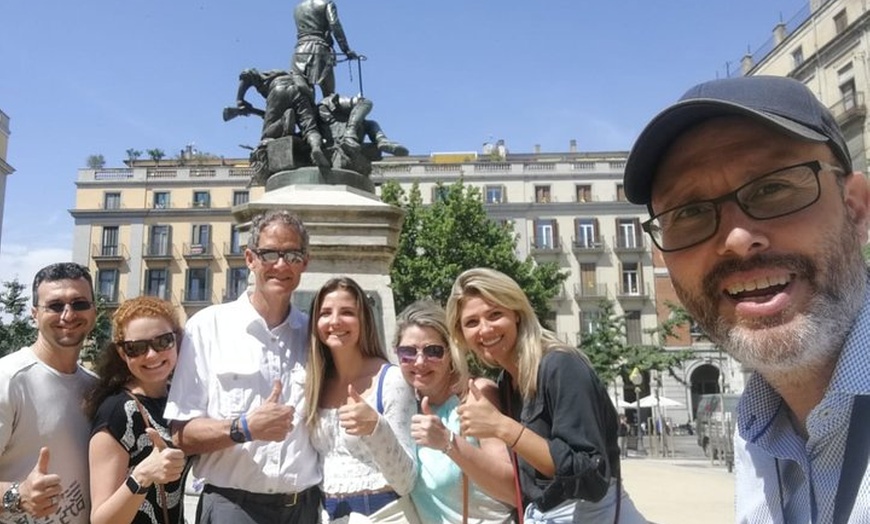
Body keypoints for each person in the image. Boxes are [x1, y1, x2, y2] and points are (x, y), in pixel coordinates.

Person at [622, 75, 870, 522]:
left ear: (855, 208)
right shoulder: (757, 428)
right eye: (690, 212)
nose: (736, 238)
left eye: (772, 188)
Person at [446, 268, 645, 523]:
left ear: (516, 314)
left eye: (495, 315)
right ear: (461, 334)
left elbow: (590, 479)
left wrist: (501, 426)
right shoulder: (507, 383)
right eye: (471, 322)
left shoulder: (561, 366)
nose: (485, 330)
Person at [165, 210, 321, 524]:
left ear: (305, 262)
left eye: (292, 254)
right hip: (233, 509)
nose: (281, 264)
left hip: (304, 509)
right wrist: (244, 427)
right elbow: (181, 434)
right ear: (250, 258)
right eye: (270, 254)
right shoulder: (208, 327)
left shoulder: (315, 336)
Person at [303, 277, 417, 521]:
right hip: (328, 513)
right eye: (325, 313)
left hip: (384, 513)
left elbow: (406, 480)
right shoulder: (315, 385)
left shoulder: (391, 380)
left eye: (347, 312)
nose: (334, 321)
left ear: (363, 320)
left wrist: (376, 427)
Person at [395, 300, 515, 523]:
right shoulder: (404, 406)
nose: (419, 362)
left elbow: (512, 490)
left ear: (451, 352)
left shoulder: (475, 396)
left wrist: (448, 442)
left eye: (433, 351)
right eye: (407, 352)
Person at [0, 262, 97, 524]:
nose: (68, 315)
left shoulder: (96, 387)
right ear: (34, 314)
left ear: (93, 311)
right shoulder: (8, 379)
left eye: (79, 304)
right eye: (55, 306)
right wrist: (16, 495)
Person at [84, 296, 187, 524]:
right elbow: (101, 519)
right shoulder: (118, 412)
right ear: (122, 353)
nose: (151, 355)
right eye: (136, 348)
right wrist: (143, 474)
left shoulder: (177, 399)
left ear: (177, 341)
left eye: (163, 342)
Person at [233, 68, 329, 172]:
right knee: (310, 129)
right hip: (301, 91)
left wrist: (239, 100)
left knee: (267, 137)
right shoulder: (297, 77)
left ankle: (283, 121)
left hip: (278, 88)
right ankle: (315, 147)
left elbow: (247, 74)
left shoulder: (267, 75)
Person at [291, 0, 358, 99]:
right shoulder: (327, 4)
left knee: (303, 92)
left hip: (300, 51)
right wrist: (346, 50)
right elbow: (334, 24)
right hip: (319, 50)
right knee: (329, 95)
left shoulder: (298, 8)